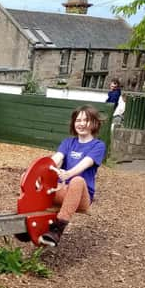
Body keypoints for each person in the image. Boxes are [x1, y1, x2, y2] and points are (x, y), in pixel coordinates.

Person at [39, 105, 106, 247]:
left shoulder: (98, 146)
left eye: (86, 120)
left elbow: (85, 163)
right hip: (62, 191)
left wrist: (68, 173)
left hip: (81, 197)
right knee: (39, 185)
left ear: (94, 123)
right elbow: (56, 158)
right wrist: (42, 172)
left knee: (77, 180)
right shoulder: (68, 142)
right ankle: (27, 222)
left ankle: (57, 230)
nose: (81, 123)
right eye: (78, 120)